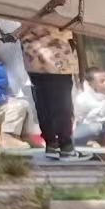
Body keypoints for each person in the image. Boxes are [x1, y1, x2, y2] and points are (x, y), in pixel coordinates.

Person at [18, 20, 76, 157]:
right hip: (56, 54)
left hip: (32, 55)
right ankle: (66, 146)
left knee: (43, 102)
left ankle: (51, 144)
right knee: (61, 102)